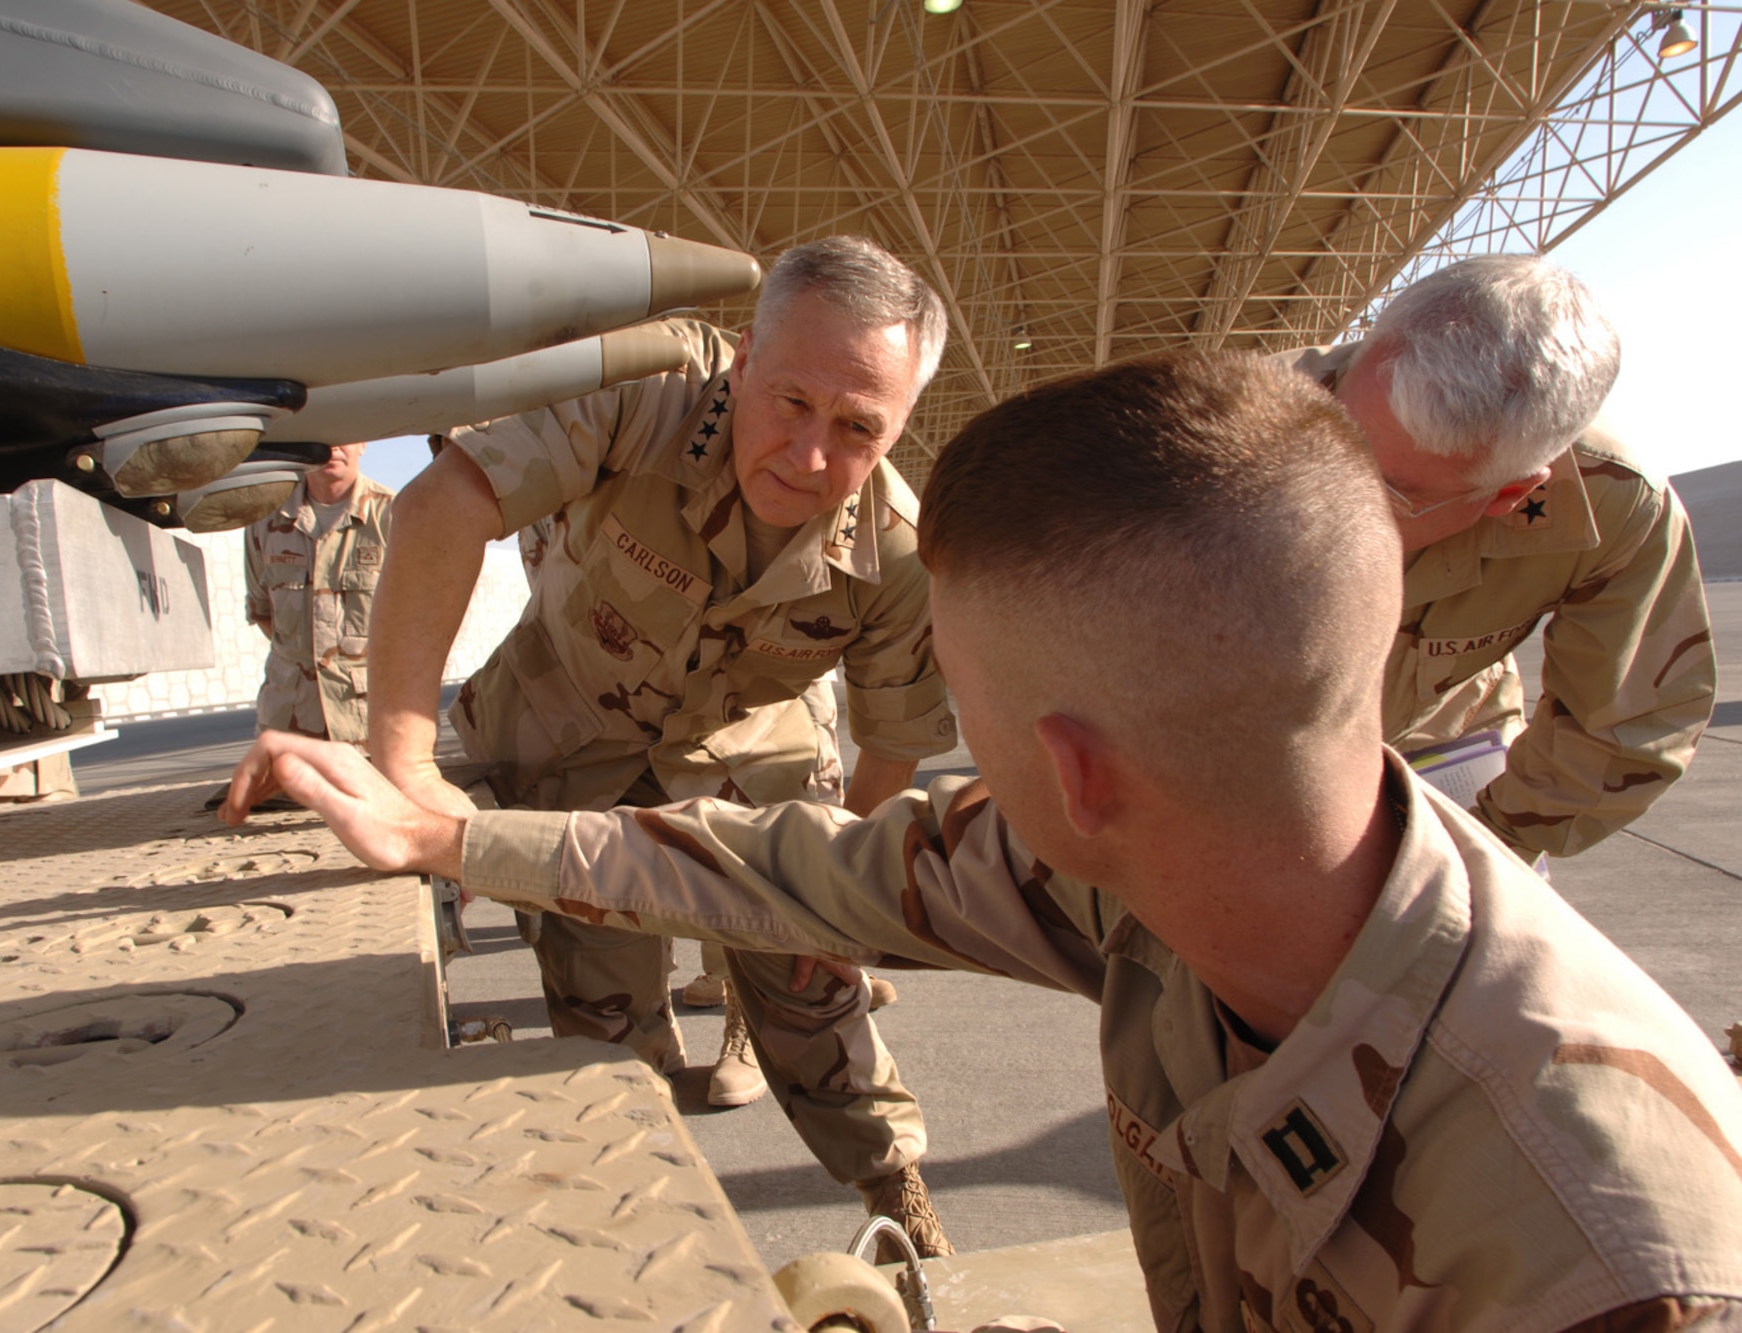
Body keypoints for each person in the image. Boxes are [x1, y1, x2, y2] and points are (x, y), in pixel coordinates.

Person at [226, 350, 1742, 1330]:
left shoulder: (1591, 1250)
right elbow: (783, 863)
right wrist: (449, 832)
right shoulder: (1152, 875)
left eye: (968, 701)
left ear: (1076, 772)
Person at [360, 237, 959, 1256]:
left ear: (901, 423)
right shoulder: (643, 394)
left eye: (859, 426)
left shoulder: (894, 554)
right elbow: (442, 504)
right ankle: (646, 1247)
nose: (811, 456)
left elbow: (890, 742)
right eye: (790, 402)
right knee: (603, 1029)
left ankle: (898, 1198)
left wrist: (839, 894)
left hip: (747, 764)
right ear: (740, 359)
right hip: (567, 742)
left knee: (817, 998)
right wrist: (403, 769)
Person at [1289, 256, 1715, 863]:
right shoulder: (1202, 430)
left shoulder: (1610, 503)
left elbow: (1623, 726)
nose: (1341, 492)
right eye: (1335, 439)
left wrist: (1482, 853)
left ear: (1510, 494)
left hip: (1436, 763)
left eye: (1393, 489)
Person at [243, 441, 394, 744]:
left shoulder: (394, 515)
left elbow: (420, 621)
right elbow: (262, 613)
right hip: (289, 725)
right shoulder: (266, 519)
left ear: (363, 444)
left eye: (344, 435)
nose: (332, 446)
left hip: (368, 726)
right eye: (322, 434)